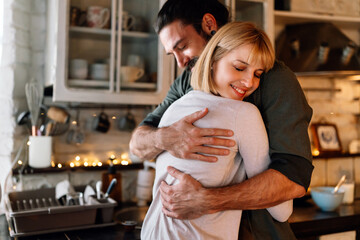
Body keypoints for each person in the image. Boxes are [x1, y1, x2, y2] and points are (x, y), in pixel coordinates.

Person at [130, 0, 314, 239]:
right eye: (172, 53)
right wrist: (166, 137)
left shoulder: (276, 80)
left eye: (182, 46)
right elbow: (137, 145)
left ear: (209, 25)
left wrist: (207, 200)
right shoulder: (187, 82)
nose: (180, 61)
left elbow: (293, 180)